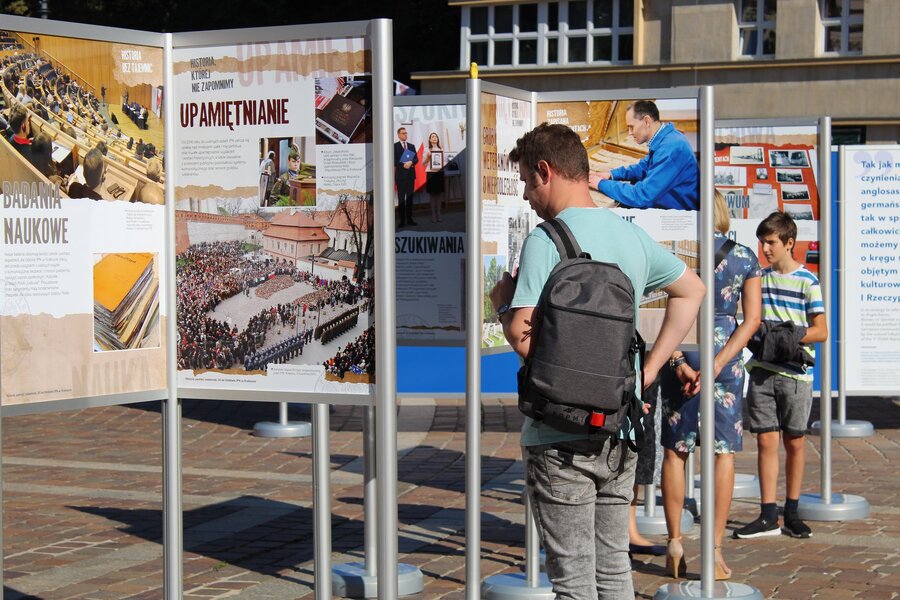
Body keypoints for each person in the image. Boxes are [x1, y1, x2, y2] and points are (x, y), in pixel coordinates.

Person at [489, 123, 705, 599]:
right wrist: (645, 376)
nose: (526, 194)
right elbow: (692, 290)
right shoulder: (630, 235)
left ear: (546, 171)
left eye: (527, 180)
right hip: (620, 426)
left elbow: (525, 339)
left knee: (573, 582)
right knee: (613, 571)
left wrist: (502, 302)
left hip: (559, 435)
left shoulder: (547, 240)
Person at [659, 190, 762, 580]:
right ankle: (714, 551)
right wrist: (720, 361)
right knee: (723, 454)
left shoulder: (676, 253)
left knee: (676, 449)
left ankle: (674, 542)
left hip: (680, 348)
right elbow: (752, 319)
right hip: (724, 358)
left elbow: (658, 309)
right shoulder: (743, 257)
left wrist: (678, 361)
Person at [734, 211, 827, 540]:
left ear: (789, 243)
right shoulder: (760, 277)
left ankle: (793, 511)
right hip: (761, 373)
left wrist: (787, 338)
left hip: (796, 377)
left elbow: (822, 331)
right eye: (761, 242)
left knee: (796, 443)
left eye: (771, 242)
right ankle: (767, 514)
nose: (765, 248)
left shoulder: (807, 281)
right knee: (765, 442)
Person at [588, 100, 699, 210]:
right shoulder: (665, 138)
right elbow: (644, 167)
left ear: (646, 121)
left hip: (678, 216)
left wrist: (600, 184)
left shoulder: (671, 148)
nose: (630, 133)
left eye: (631, 127)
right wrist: (611, 174)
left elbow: (640, 195)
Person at [394, 126, 418, 227]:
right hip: (401, 176)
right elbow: (393, 160)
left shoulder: (411, 146)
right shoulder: (394, 146)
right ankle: (402, 220)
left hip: (411, 175)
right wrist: (403, 164)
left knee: (409, 198)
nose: (405, 135)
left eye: (406, 133)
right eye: (403, 133)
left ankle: (409, 218)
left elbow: (416, 159)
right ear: (399, 135)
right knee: (401, 198)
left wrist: (411, 163)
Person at [423, 131, 445, 222]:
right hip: (431, 173)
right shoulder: (426, 149)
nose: (434, 138)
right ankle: (433, 215)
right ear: (430, 139)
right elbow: (423, 164)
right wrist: (428, 158)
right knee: (432, 195)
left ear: (437, 139)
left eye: (436, 136)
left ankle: (439, 214)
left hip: (439, 173)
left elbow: (443, 162)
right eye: (432, 136)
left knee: (439, 195)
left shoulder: (441, 149)